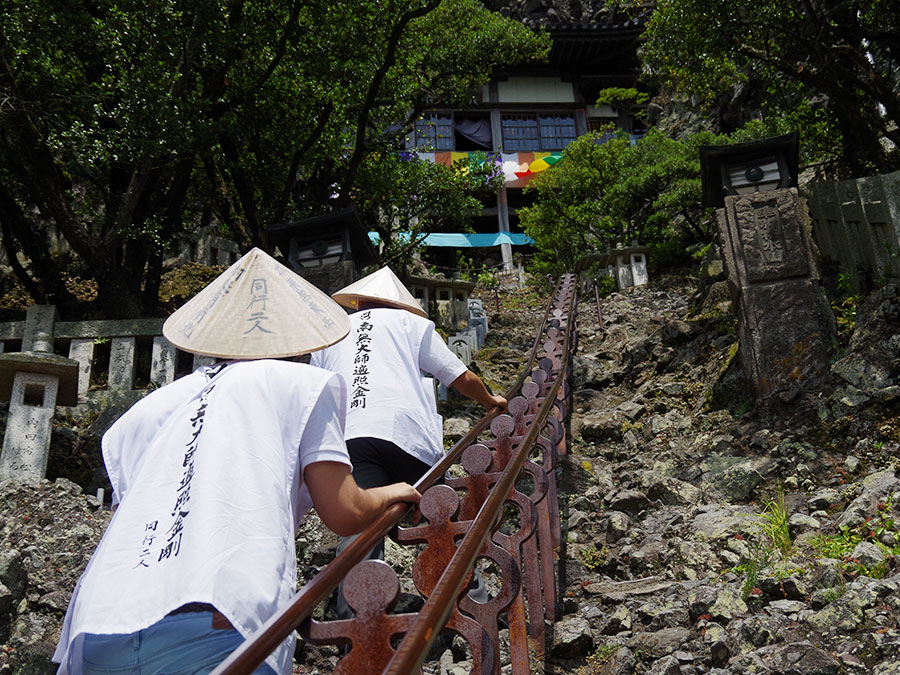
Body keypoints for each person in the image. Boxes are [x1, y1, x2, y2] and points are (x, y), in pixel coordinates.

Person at [53, 249, 421, 675]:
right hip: (216, 616)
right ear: (296, 336)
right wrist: (393, 491)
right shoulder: (299, 384)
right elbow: (344, 513)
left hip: (100, 622)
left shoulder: (147, 410)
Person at [309, 267, 506, 619]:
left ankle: (352, 622)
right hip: (406, 436)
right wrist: (491, 401)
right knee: (439, 519)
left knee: (362, 525)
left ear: (358, 303)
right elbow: (459, 376)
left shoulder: (332, 337)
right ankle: (474, 603)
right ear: (400, 305)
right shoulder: (410, 325)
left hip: (350, 438)